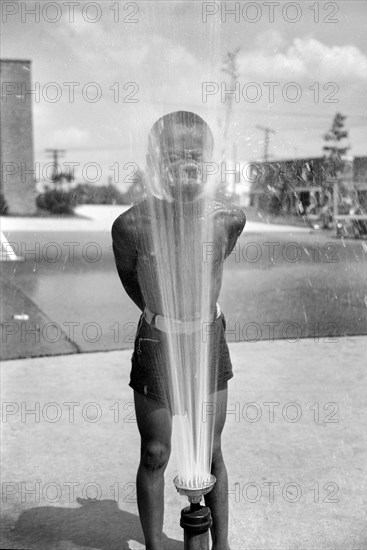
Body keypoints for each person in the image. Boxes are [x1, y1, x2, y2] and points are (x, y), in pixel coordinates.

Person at [111, 111, 246, 550]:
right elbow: (135, 284)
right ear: (154, 161)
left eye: (195, 155)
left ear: (209, 162)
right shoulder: (131, 226)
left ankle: (221, 546)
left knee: (211, 452)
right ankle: (154, 546)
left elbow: (211, 266)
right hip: (156, 340)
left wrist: (193, 318)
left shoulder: (228, 219)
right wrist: (166, 319)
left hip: (207, 339)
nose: (184, 164)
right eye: (171, 155)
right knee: (156, 452)